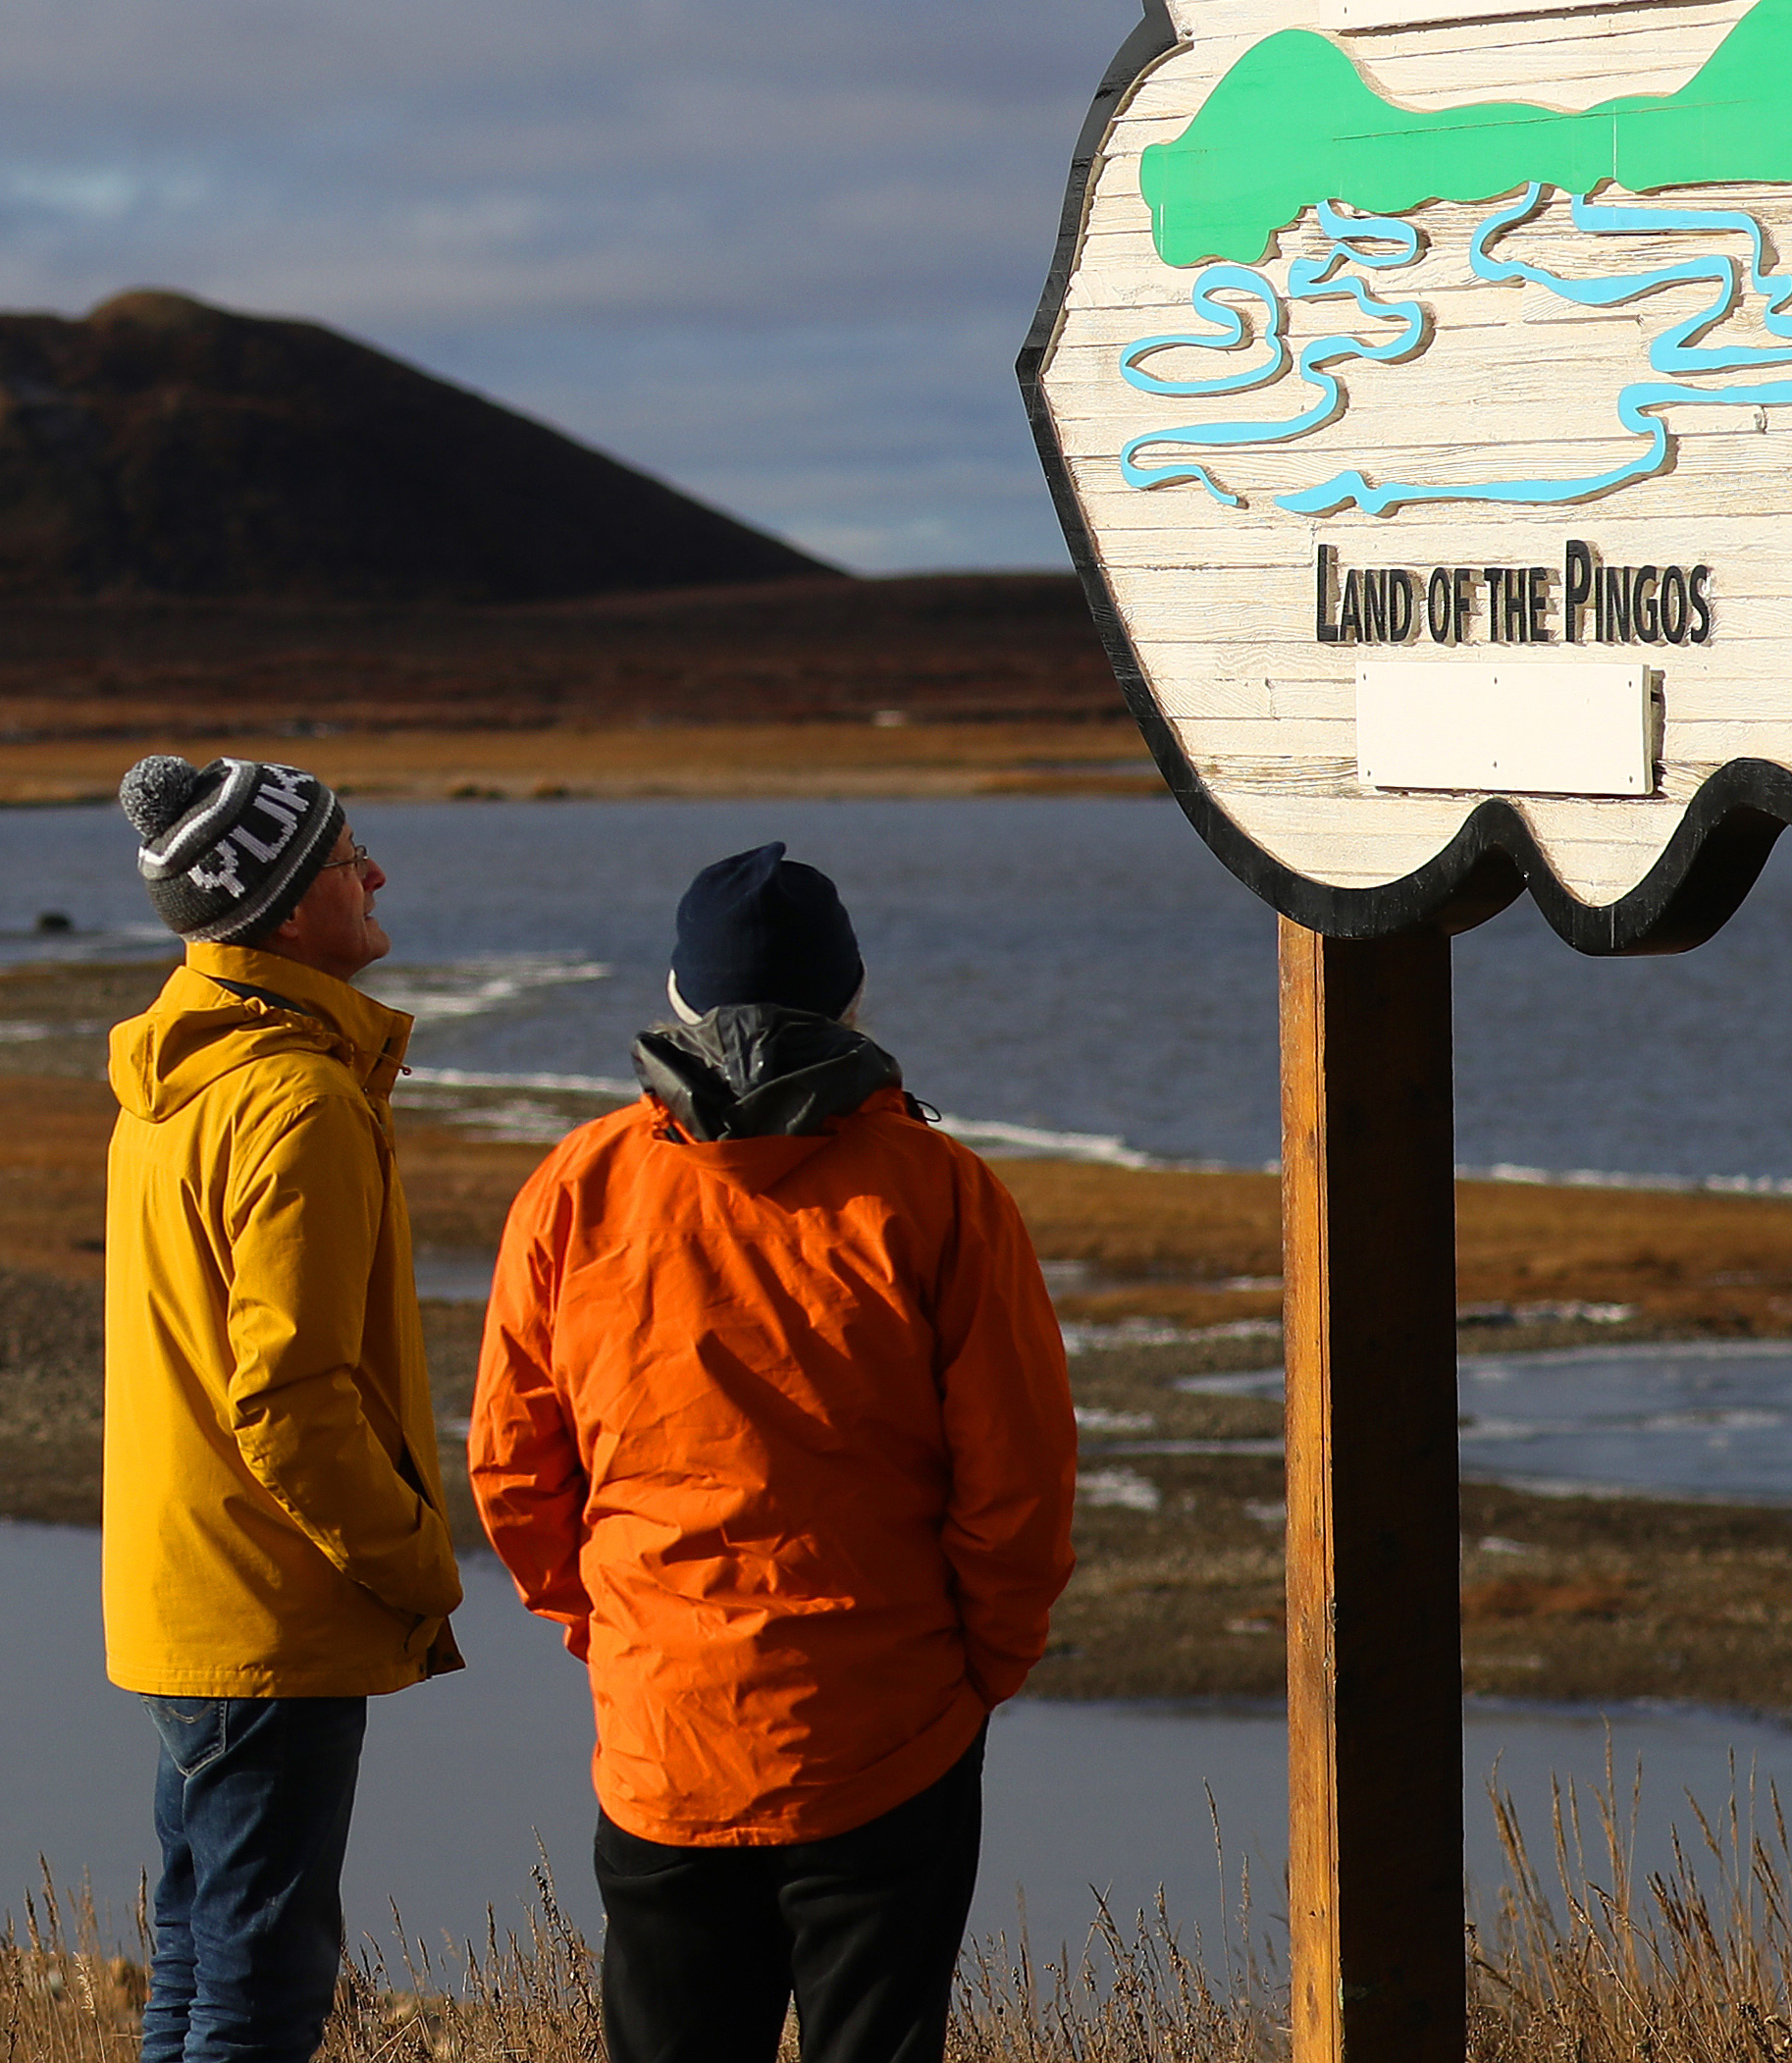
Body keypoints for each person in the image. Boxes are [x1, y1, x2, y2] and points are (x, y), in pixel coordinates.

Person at [468, 843, 1077, 2063]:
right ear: (852, 1002)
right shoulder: (943, 1195)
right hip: (888, 1735)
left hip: (664, 1737)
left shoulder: (576, 1189)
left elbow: (512, 1473)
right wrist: (982, 1671)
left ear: (678, 1001)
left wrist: (619, 1634)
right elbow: (1018, 1485)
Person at [102, 750, 469, 2063]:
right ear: (279, 907)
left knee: (199, 1970)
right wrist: (413, 1560)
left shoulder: (177, 1076)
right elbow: (288, 1400)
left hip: (191, 1596)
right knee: (256, 1996)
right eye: (348, 856)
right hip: (272, 1604)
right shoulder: (296, 1100)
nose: (377, 874)